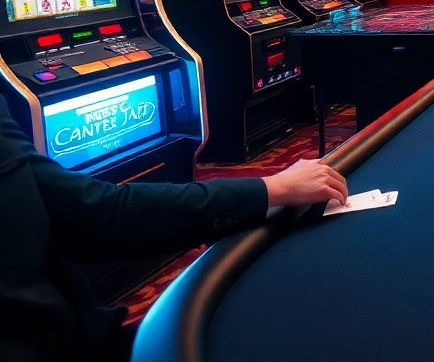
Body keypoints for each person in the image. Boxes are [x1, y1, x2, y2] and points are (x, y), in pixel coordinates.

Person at [1, 103, 347, 362]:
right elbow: (95, 216)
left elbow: (82, 215)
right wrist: (271, 189)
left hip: (78, 334)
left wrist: (271, 189)